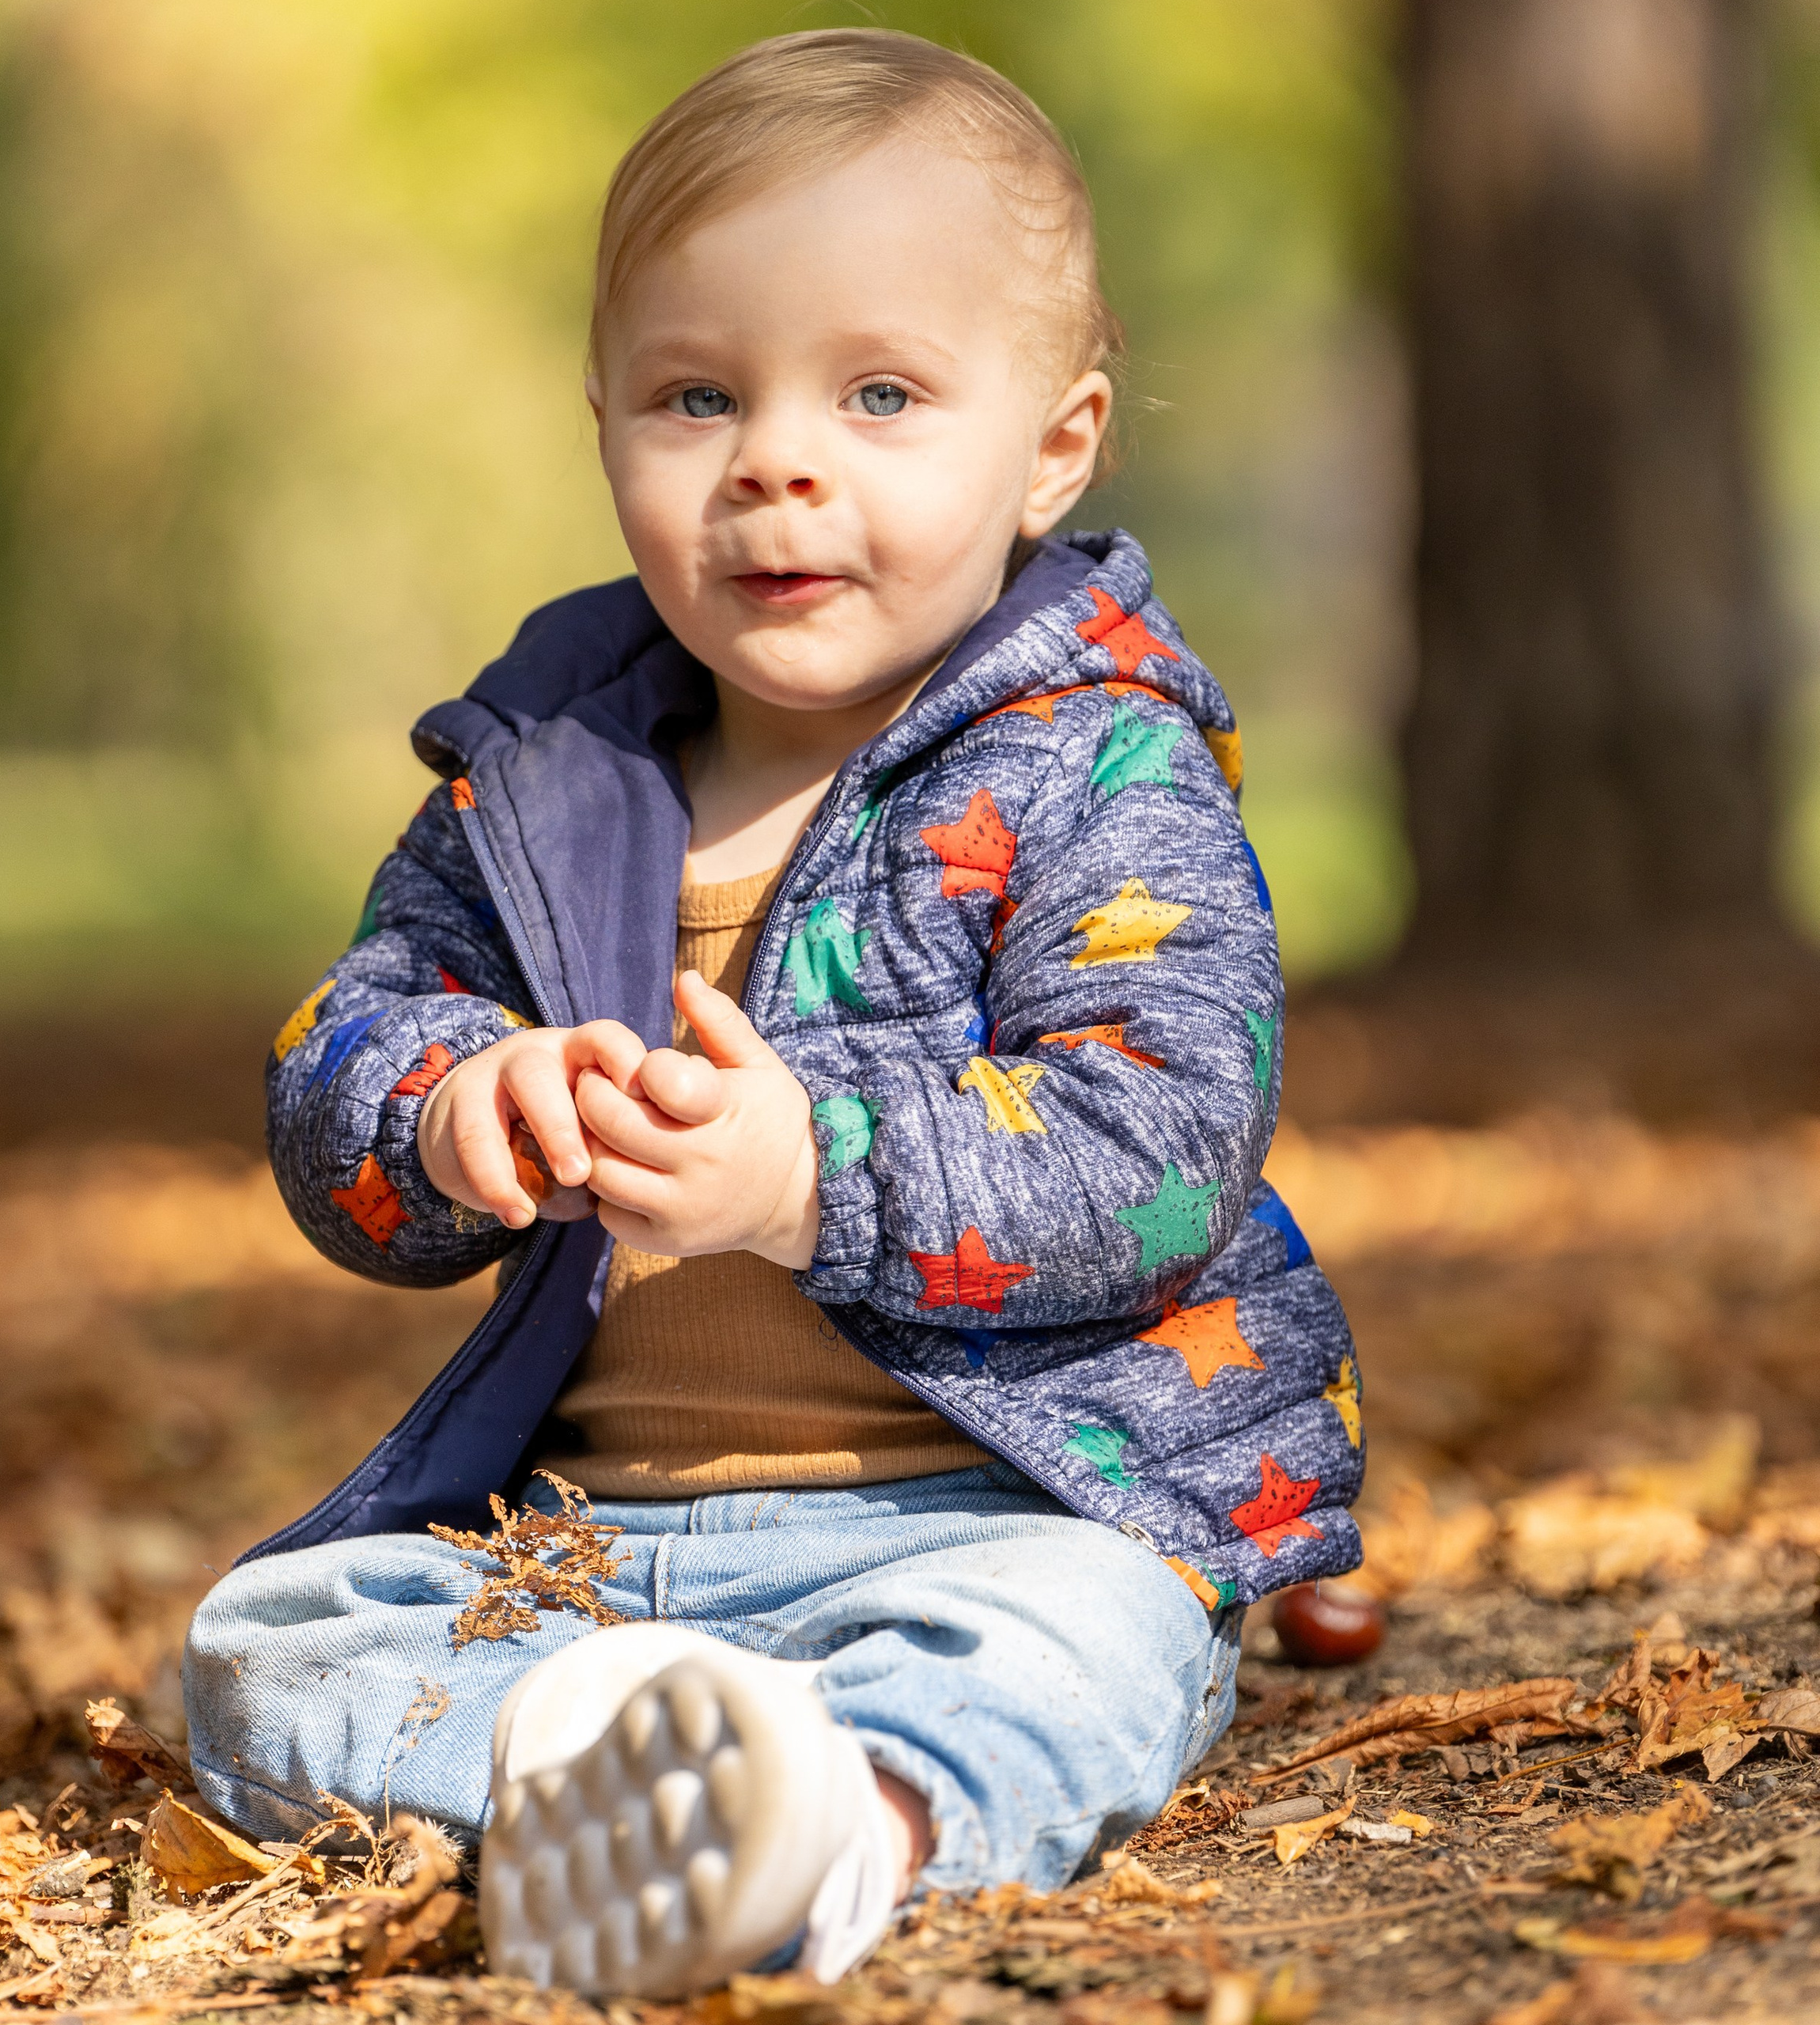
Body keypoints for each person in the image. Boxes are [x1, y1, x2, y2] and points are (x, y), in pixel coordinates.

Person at [184, 27, 1361, 2000]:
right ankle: (601, 1761)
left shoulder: (1089, 770)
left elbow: (1157, 1144)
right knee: (272, 1642)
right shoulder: (548, 772)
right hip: (586, 1552)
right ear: (603, 424)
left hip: (992, 1503)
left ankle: (846, 1818)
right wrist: (450, 1109)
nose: (775, 460)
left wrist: (805, 1168)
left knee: (1088, 1639)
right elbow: (346, 1047)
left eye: (880, 393)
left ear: (1051, 441)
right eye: (695, 394)